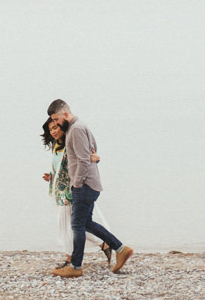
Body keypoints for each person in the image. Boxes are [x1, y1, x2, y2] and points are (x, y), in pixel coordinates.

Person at [47, 99, 134, 278]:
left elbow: (84, 159)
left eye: (55, 119)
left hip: (84, 185)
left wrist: (77, 182)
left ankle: (75, 266)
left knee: (77, 224)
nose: (54, 123)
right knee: (86, 223)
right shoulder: (79, 127)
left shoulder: (76, 129)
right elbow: (93, 149)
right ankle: (120, 249)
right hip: (89, 184)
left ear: (65, 114)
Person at [41, 118, 113, 269]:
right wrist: (51, 177)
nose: (53, 131)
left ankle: (70, 261)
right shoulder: (56, 146)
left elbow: (85, 159)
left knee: (70, 227)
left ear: (63, 127)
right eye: (50, 129)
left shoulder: (71, 142)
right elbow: (61, 168)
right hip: (61, 192)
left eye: (56, 127)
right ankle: (105, 244)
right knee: (76, 226)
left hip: (73, 191)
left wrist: (97, 158)